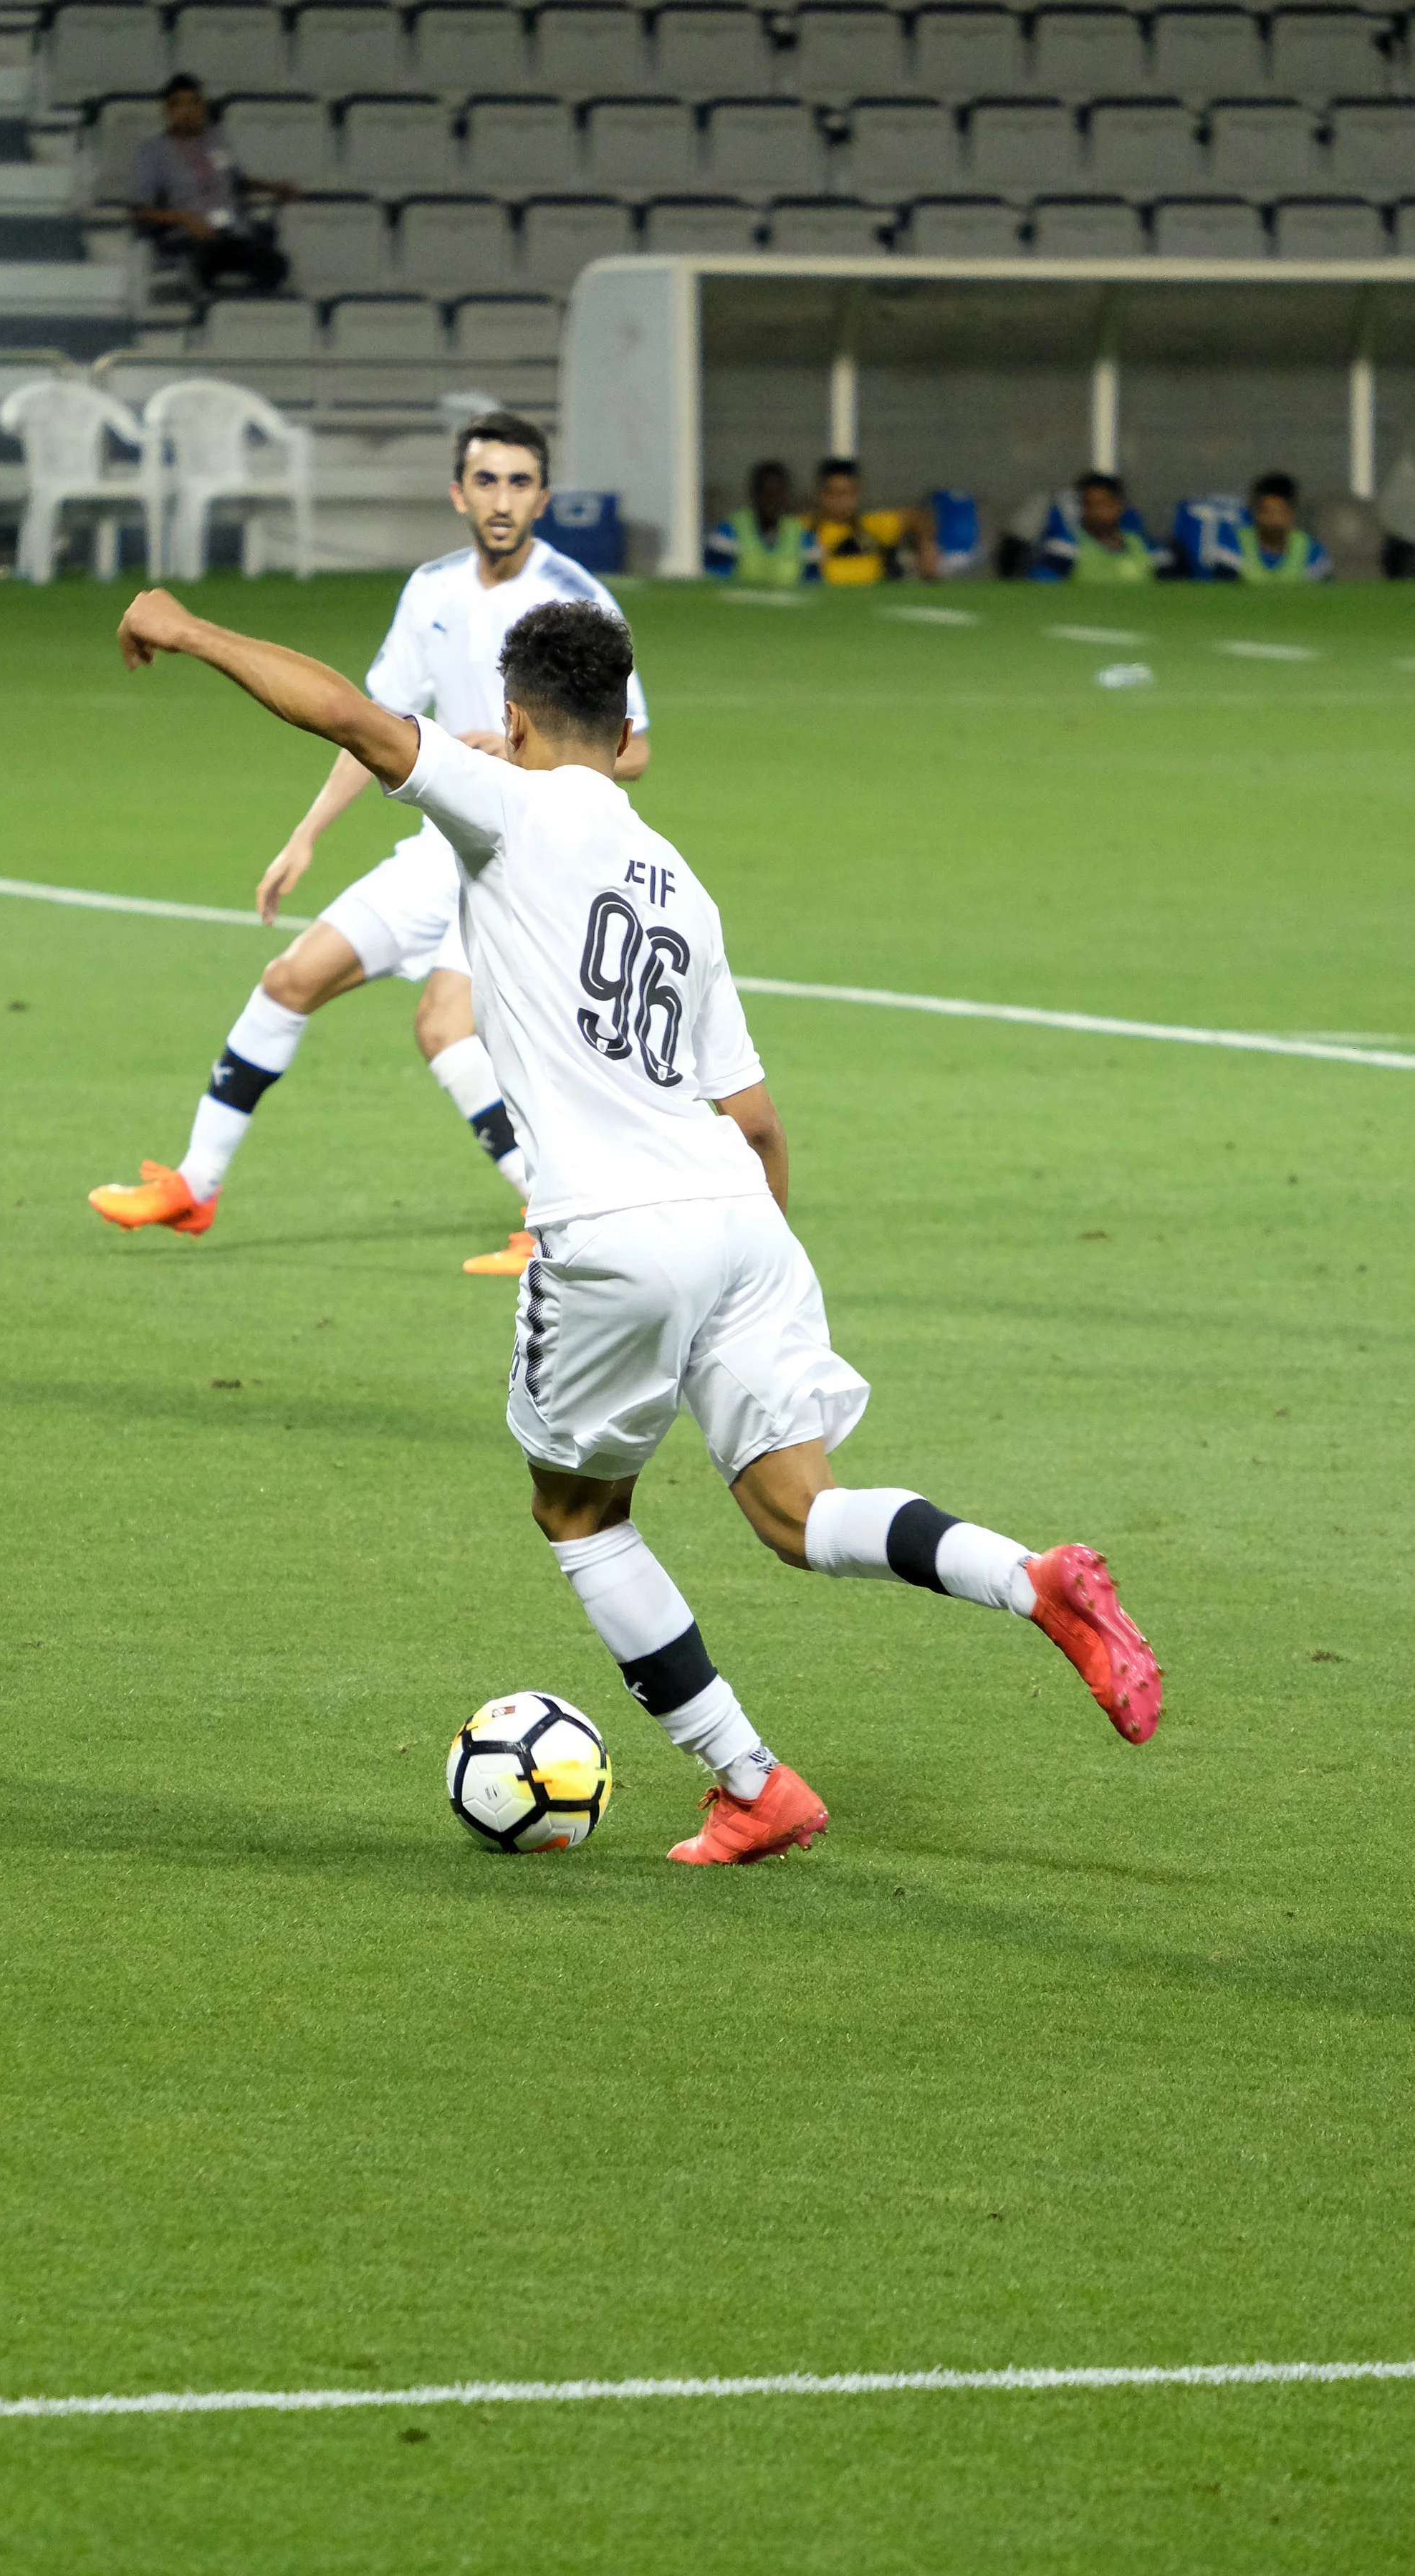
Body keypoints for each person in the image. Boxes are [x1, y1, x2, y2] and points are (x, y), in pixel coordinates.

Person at [111, 585, 1163, 1863]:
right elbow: (759, 1120)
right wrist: (749, 1281)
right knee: (797, 1513)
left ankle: (752, 1781)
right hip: (738, 1219)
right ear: (623, 731)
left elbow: (345, 713)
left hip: (615, 1233)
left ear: (511, 719)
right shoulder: (683, 885)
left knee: (578, 1513)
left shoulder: (505, 807)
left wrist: (189, 629)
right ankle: (1028, 1577)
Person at [89, 412, 653, 1278]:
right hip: (440, 847)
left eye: (520, 483)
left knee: (444, 1026)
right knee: (290, 982)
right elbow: (373, 726)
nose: (503, 500)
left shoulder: (576, 602)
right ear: (458, 493)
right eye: (487, 481)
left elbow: (633, 751)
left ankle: (549, 1216)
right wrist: (305, 836)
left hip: (521, 855)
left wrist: (512, 754)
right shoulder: (431, 590)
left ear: (543, 497)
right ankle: (195, 1187)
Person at [128, 74, 296, 298]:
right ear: (167, 111)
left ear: (203, 107)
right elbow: (140, 212)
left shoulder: (216, 143)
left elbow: (235, 182)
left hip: (234, 234)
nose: (188, 111)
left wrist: (273, 188)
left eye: (194, 103)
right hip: (191, 239)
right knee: (203, 262)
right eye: (179, 104)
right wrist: (185, 219)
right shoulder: (152, 152)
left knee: (276, 265)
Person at [802, 457, 939, 586]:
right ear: (819, 493)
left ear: (858, 494)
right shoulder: (804, 529)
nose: (840, 502)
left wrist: (927, 547)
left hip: (873, 595)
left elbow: (916, 517)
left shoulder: (871, 525)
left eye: (846, 494)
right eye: (832, 493)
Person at [704, 460, 818, 589]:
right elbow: (716, 582)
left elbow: (813, 586)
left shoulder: (803, 536)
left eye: (778, 494)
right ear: (754, 495)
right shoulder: (730, 532)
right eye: (766, 494)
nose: (772, 501)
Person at [1035, 472, 1163, 585]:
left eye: (1103, 504)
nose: (1096, 512)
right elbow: (1044, 585)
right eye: (1089, 505)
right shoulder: (1067, 548)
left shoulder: (1145, 547)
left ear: (1119, 506)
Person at [1214, 471, 1331, 585]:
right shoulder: (1234, 544)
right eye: (1267, 512)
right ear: (1254, 512)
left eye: (1280, 513)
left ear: (1292, 513)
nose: (1273, 520)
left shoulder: (1310, 551)